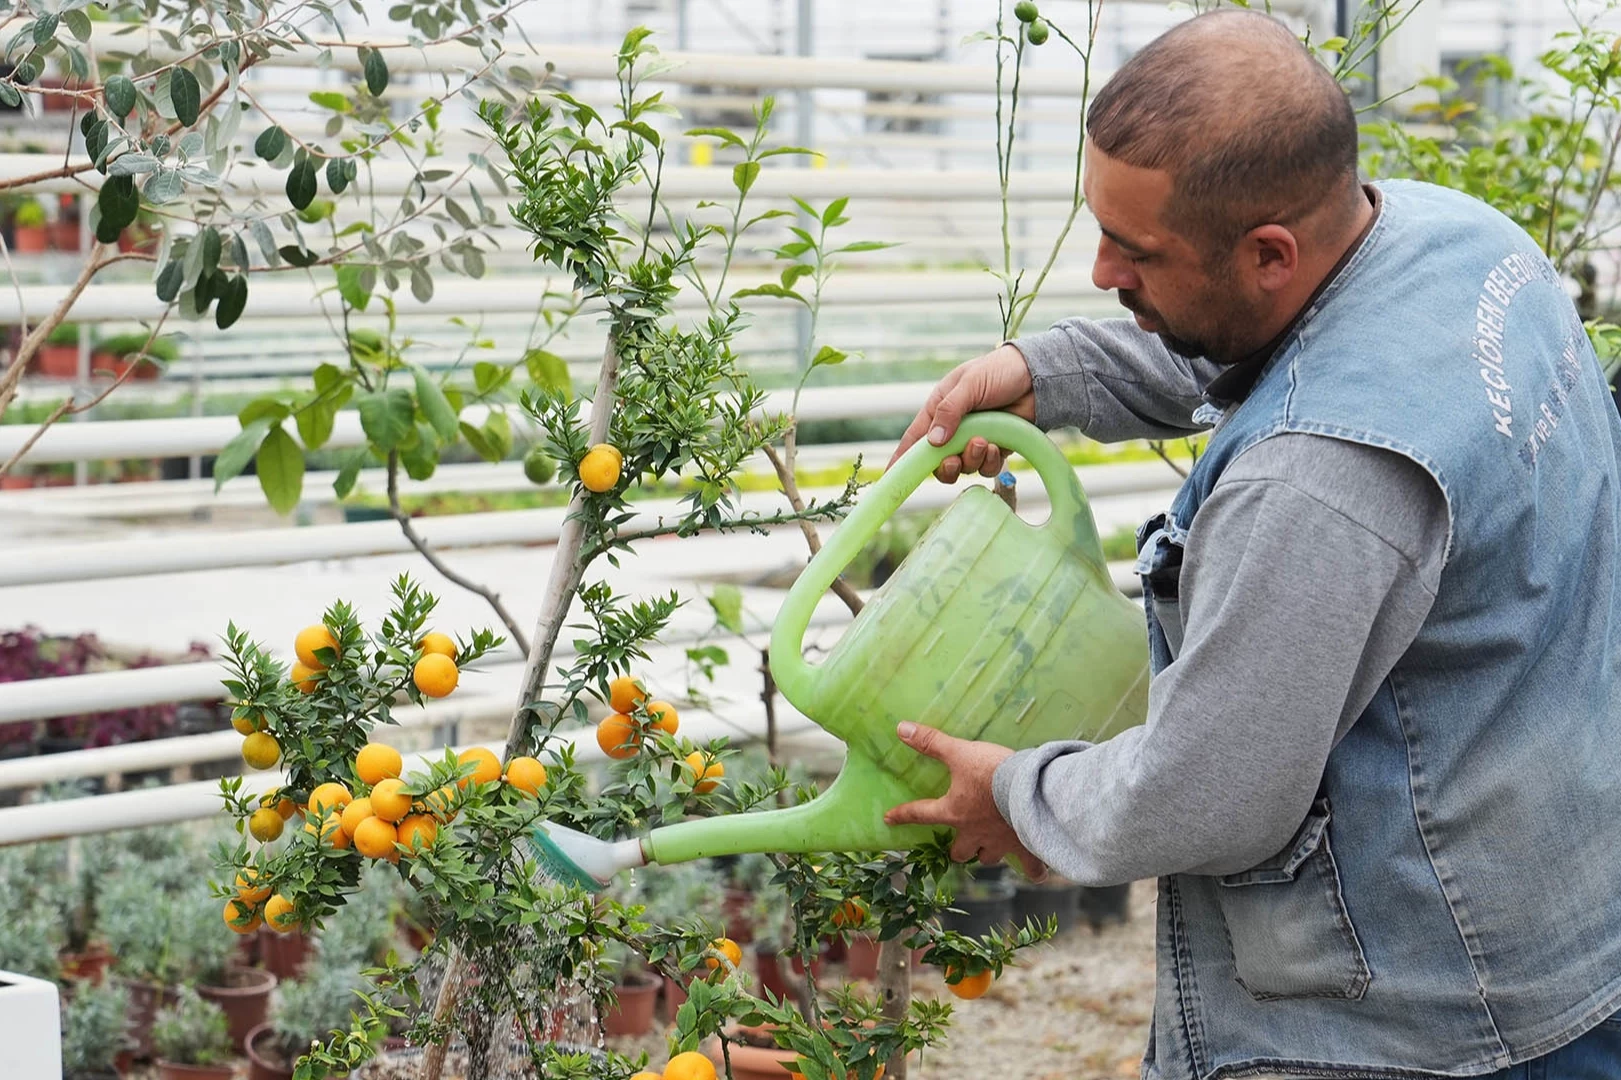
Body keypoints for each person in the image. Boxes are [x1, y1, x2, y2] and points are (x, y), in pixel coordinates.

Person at [881, 10, 1621, 1080]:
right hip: (1558, 914)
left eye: (1133, 252)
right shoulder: (1459, 244)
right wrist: (1044, 375)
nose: (1098, 273)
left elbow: (1205, 795)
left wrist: (1014, 794)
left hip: (1416, 1026)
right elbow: (1270, 339)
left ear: (1270, 250)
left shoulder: (1315, 485)